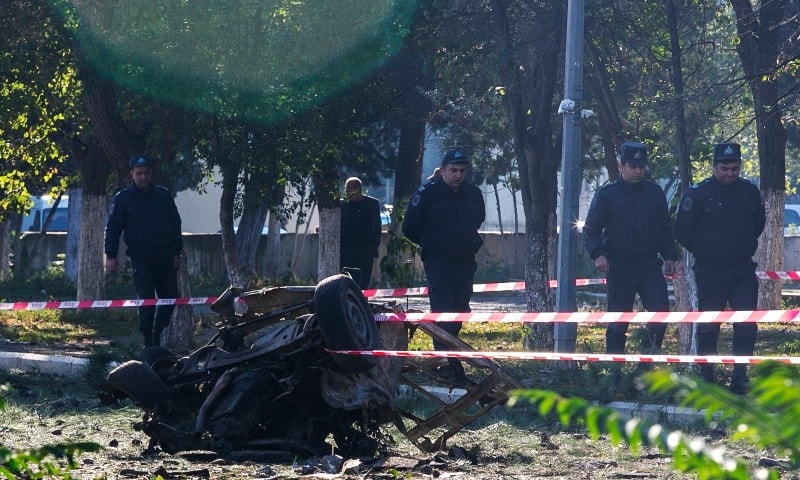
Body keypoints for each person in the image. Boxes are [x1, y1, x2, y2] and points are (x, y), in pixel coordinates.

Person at [674, 142, 766, 394]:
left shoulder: (749, 191)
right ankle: (707, 378)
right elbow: (682, 231)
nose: (729, 173)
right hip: (710, 270)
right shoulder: (699, 194)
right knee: (708, 326)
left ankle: (739, 378)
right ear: (715, 166)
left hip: (742, 269)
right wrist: (707, 250)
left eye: (734, 168)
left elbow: (758, 223)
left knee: (746, 324)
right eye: (724, 168)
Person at [583, 142, 677, 354]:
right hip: (619, 267)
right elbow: (591, 229)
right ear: (621, 166)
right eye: (633, 167)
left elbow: (664, 227)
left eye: (641, 167)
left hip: (649, 265)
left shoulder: (654, 193)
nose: (638, 171)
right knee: (617, 324)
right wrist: (598, 254)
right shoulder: (607, 194)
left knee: (660, 316)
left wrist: (670, 256)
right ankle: (615, 374)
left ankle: (646, 365)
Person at [402, 148, 485, 384]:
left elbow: (478, 218)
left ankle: (448, 359)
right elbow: (410, 227)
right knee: (442, 312)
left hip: (465, 261)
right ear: (442, 171)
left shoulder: (473, 194)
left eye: (462, 171)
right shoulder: (427, 193)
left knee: (459, 312)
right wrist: (433, 243)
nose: (458, 175)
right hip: (438, 261)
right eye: (453, 170)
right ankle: (446, 365)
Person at [105, 154, 184, 348]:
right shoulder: (123, 199)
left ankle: (158, 331)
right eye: (139, 173)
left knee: (170, 298)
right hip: (141, 257)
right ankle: (148, 340)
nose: (143, 177)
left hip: (165, 255)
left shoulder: (163, 195)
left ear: (151, 173)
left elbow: (175, 224)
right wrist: (111, 255)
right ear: (132, 174)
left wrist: (176, 252)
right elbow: (113, 228)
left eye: (146, 172)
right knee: (147, 299)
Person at [340, 177, 382, 289]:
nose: (346, 191)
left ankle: (362, 305)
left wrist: (372, 247)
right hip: (347, 251)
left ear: (358, 189)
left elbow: (377, 227)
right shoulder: (342, 205)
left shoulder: (372, 204)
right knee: (346, 281)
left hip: (365, 251)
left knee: (363, 283)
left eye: (349, 188)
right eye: (346, 188)